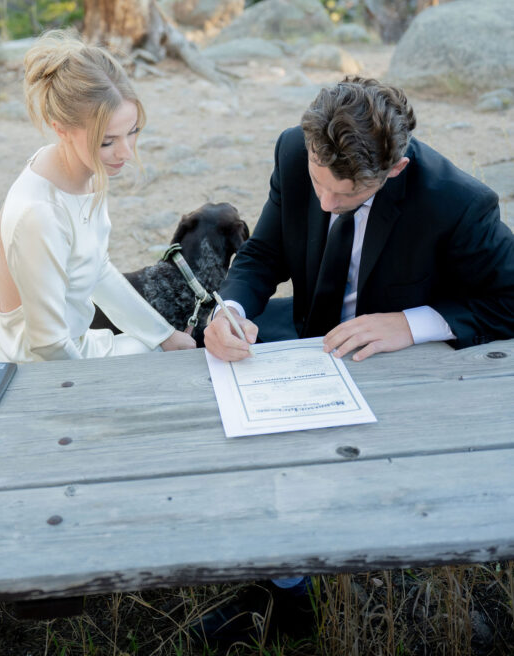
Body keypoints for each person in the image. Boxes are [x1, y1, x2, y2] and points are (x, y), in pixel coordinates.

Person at [195, 75, 514, 650]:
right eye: (319, 183)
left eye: (347, 196)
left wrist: (412, 323)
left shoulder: (456, 202)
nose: (325, 204)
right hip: (313, 341)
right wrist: (231, 309)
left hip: (403, 373)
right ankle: (286, 586)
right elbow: (265, 252)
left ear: (395, 169)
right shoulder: (294, 150)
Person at [0, 32, 195, 364]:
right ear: (61, 129)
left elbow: (96, 268)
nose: (125, 152)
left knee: (168, 351)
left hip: (72, 344)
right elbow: (49, 344)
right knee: (157, 366)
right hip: (30, 367)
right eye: (107, 141)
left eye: (132, 132)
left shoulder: (85, 170)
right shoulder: (40, 214)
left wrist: (163, 334)